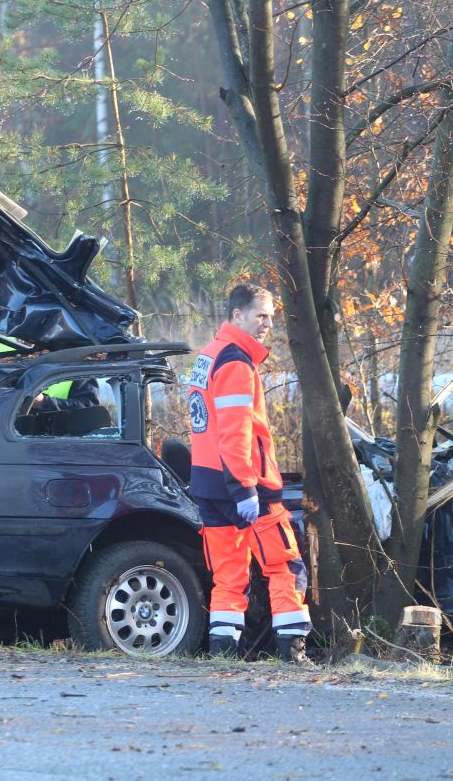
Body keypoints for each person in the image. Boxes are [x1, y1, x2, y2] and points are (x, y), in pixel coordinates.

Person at [188, 283, 313, 666]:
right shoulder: (236, 364)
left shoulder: (207, 357)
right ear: (237, 315)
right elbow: (235, 431)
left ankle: (223, 655)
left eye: (272, 317)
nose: (268, 324)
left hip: (209, 484)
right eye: (261, 315)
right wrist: (245, 488)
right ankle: (293, 654)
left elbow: (202, 426)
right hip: (246, 486)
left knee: (227, 574)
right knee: (285, 566)